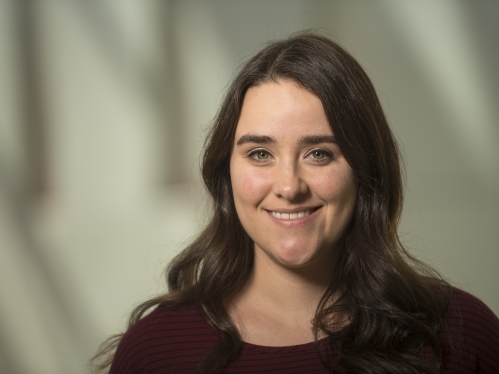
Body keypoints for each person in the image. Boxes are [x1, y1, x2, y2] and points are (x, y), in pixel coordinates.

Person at [92, 33, 499, 374]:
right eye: (260, 154)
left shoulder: (461, 335)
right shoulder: (155, 351)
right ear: (225, 171)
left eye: (319, 153)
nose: (289, 187)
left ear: (365, 170)